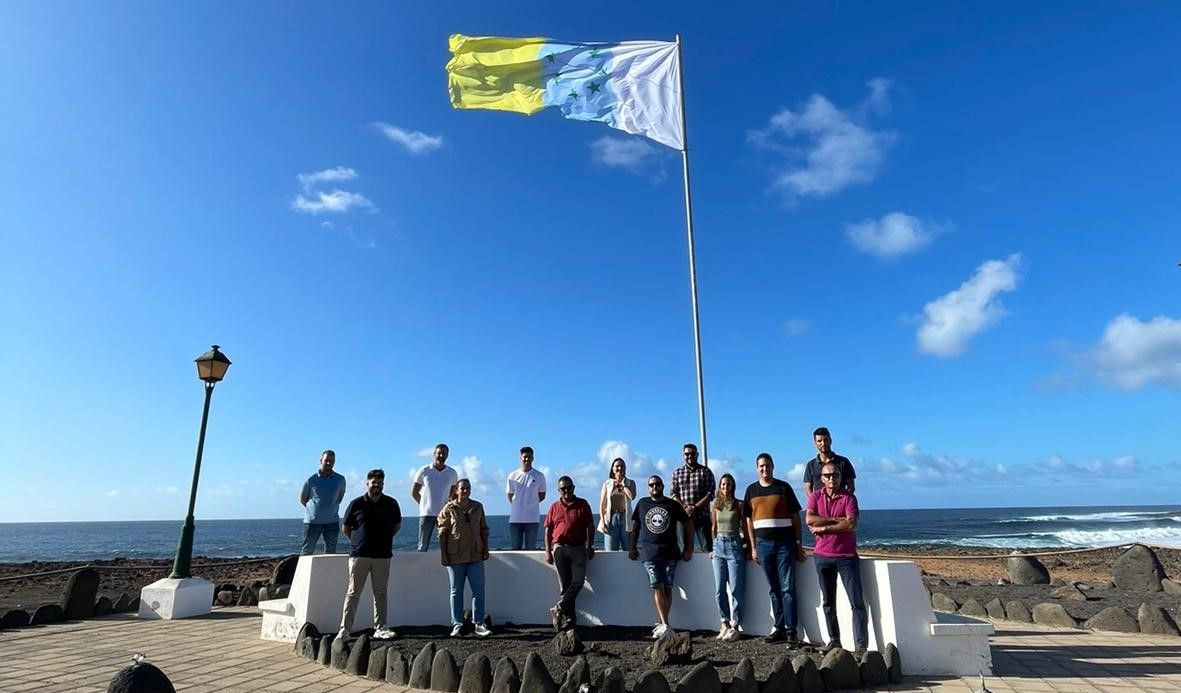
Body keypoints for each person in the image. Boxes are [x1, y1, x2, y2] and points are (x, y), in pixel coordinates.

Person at [742, 452, 806, 646]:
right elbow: (748, 521)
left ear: (773, 467)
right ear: (757, 468)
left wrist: (798, 544)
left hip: (785, 545)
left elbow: (796, 517)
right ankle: (778, 629)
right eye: (761, 466)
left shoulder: (783, 487)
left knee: (788, 589)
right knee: (774, 590)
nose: (765, 469)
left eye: (767, 466)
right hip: (763, 546)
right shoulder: (751, 490)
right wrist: (753, 547)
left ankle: (791, 631)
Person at [806, 460, 868, 657]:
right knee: (828, 603)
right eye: (827, 476)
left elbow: (851, 525)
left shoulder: (849, 498)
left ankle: (860, 647)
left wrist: (824, 528)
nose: (831, 479)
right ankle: (834, 641)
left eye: (835, 475)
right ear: (821, 478)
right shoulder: (815, 497)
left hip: (846, 557)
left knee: (856, 602)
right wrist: (838, 520)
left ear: (840, 477)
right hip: (822, 556)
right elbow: (809, 519)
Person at [338, 469, 401, 640]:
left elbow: (396, 526)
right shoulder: (356, 504)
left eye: (380, 483)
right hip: (359, 555)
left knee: (380, 593)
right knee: (353, 593)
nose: (377, 486)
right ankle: (345, 630)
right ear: (367, 484)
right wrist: (358, 542)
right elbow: (346, 528)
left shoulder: (391, 504)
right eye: (374, 483)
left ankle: (380, 627)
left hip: (382, 556)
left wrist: (384, 540)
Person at [629, 475, 693, 638]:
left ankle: (664, 624)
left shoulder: (672, 504)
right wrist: (632, 547)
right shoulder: (642, 504)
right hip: (649, 553)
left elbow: (688, 523)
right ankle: (665, 623)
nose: (654, 487)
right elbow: (635, 527)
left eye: (657, 484)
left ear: (663, 486)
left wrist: (688, 547)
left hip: (670, 552)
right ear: (648, 487)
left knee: (668, 587)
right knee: (657, 585)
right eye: (651, 484)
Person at [438, 478, 492, 637]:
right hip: (455, 557)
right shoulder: (449, 508)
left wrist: (485, 549)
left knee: (479, 590)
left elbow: (484, 529)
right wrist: (444, 554)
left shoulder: (477, 507)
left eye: (468, 488)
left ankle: (479, 623)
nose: (465, 491)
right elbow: (442, 532)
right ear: (456, 490)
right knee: (456, 591)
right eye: (462, 488)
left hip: (475, 554)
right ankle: (457, 623)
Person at [544, 475, 595, 631]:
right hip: (559, 549)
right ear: (559, 490)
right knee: (565, 587)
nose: (566, 490)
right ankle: (568, 620)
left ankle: (558, 609)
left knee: (578, 582)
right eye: (563, 488)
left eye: (569, 487)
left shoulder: (582, 504)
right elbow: (548, 529)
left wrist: (590, 545)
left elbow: (590, 526)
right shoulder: (554, 507)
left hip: (578, 548)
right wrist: (547, 551)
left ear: (573, 487)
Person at [710, 473, 751, 641]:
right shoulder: (715, 504)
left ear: (732, 486)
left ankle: (736, 625)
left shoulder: (739, 505)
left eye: (728, 485)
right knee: (720, 589)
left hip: (734, 546)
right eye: (723, 484)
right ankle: (724, 623)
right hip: (719, 545)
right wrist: (713, 547)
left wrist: (748, 547)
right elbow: (713, 527)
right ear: (720, 487)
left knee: (736, 589)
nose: (726, 488)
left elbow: (745, 526)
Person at [411, 443, 459, 551]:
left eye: (444, 454)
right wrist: (423, 504)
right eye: (439, 453)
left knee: (446, 543)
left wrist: (448, 506)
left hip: (444, 514)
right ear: (434, 454)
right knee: (423, 545)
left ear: (447, 455)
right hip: (426, 514)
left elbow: (454, 493)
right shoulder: (424, 471)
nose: (441, 455)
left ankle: (447, 566)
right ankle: (421, 567)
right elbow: (414, 492)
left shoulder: (452, 473)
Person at [670, 442, 716, 552]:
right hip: (683, 517)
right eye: (687, 454)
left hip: (702, 517)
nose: (689, 456)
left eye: (692, 453)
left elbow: (710, 494)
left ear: (697, 454)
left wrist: (694, 508)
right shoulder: (677, 473)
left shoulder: (705, 472)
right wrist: (685, 508)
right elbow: (673, 494)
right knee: (682, 550)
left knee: (707, 549)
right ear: (683, 455)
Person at [300, 450, 347, 555]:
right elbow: (303, 499)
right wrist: (314, 511)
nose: (329, 463)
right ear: (321, 461)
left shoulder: (340, 479)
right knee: (307, 551)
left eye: (332, 461)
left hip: (332, 521)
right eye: (327, 460)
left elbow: (340, 497)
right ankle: (303, 572)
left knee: (331, 553)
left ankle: (329, 572)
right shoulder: (311, 480)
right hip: (312, 522)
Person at [505, 446, 546, 550]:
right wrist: (518, 504)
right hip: (515, 519)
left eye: (529, 457)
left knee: (531, 549)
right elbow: (510, 495)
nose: (527, 459)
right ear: (520, 457)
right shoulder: (512, 476)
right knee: (515, 549)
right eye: (525, 457)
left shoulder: (539, 476)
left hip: (532, 519)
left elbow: (542, 495)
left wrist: (530, 503)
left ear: (533, 458)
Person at [802, 427, 856, 495]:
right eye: (819, 441)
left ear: (830, 441)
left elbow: (851, 487)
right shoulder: (811, 465)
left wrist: (844, 501)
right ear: (815, 443)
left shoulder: (844, 462)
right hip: (819, 504)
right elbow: (808, 489)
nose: (823, 443)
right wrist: (815, 502)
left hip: (840, 502)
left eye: (825, 440)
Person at [597, 457, 636, 551]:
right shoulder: (607, 484)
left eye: (622, 466)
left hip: (625, 518)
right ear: (613, 469)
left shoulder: (630, 483)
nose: (619, 468)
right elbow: (602, 505)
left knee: (627, 550)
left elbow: (632, 496)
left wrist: (624, 485)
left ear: (625, 468)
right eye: (617, 466)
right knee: (610, 549)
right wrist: (602, 521)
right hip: (611, 518)